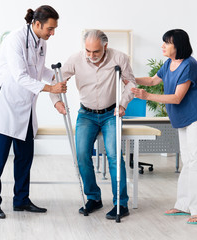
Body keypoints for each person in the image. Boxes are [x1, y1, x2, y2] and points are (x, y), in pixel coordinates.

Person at [0, 5, 67, 219]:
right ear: (37, 24)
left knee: (25, 158)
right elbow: (21, 76)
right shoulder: (14, 40)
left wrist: (58, 76)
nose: (53, 33)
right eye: (50, 28)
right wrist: (51, 88)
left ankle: (21, 200)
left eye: (54, 29)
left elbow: (38, 70)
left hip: (26, 107)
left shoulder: (41, 43)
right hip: (7, 105)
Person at [50, 29, 136, 219]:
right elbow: (55, 80)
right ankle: (93, 198)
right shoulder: (76, 59)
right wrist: (57, 101)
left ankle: (121, 203)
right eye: (88, 51)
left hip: (111, 113)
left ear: (105, 46)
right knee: (81, 154)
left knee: (114, 156)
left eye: (96, 51)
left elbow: (131, 83)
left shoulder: (119, 58)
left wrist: (123, 104)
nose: (91, 56)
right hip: (86, 114)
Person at [131, 29, 197, 225]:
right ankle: (184, 205)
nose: (163, 46)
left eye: (167, 43)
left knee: (196, 161)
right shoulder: (169, 63)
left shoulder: (189, 65)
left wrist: (146, 96)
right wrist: (129, 79)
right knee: (187, 161)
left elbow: (176, 97)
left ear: (179, 45)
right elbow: (152, 81)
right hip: (182, 118)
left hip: (196, 116)